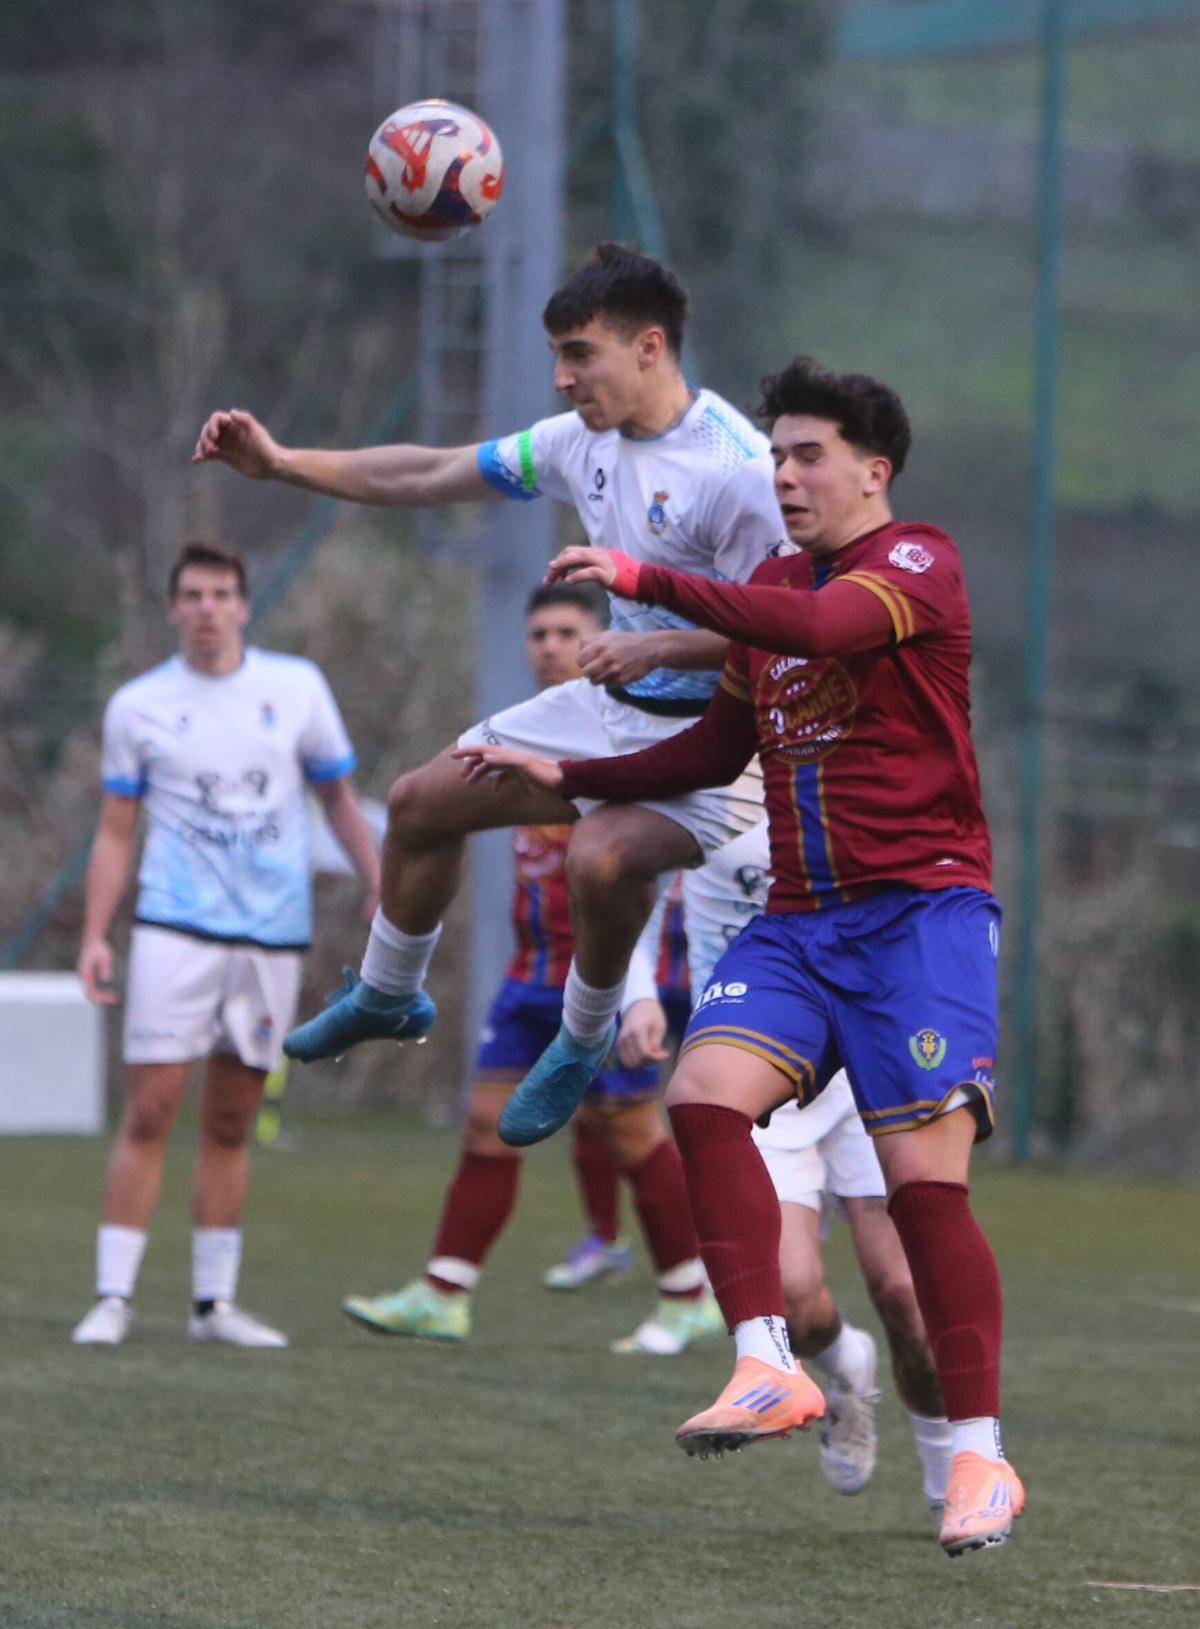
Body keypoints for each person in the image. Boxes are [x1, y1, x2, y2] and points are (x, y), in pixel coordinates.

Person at [456, 358, 1025, 1556]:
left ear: (875, 471)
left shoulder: (917, 564)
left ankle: (978, 1457)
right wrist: (575, 778)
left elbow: (820, 625)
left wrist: (646, 583)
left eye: (808, 455)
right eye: (775, 456)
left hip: (920, 918)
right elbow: (716, 750)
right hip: (803, 922)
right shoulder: (765, 585)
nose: (786, 474)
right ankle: (767, 1365)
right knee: (704, 1097)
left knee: (926, 1200)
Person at [192, 243, 783, 1143]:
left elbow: (783, 632)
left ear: (650, 347)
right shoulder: (579, 443)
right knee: (421, 802)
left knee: (600, 855)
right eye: (558, 356)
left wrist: (665, 642)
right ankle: (389, 992)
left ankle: (583, 1040)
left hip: (720, 748)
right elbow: (428, 473)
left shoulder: (736, 469)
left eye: (579, 355)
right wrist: (281, 464)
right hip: (612, 702)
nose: (560, 378)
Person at [341, 582, 722, 1356]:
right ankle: (444, 1291)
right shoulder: (513, 736)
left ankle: (690, 1292)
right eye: (539, 632)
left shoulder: (632, 735)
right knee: (485, 1121)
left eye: (567, 631)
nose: (550, 645)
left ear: (605, 641)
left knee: (630, 1129)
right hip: (529, 971)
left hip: (602, 971)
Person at [71, 542, 379, 1348]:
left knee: (233, 1118)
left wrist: (385, 889)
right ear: (173, 608)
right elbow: (113, 830)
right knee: (149, 1108)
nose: (208, 608)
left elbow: (339, 799)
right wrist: (97, 935)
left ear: (244, 605)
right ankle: (113, 1295)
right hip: (175, 929)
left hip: (273, 936)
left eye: (222, 593)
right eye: (193, 594)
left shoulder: (296, 688)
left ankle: (213, 1304)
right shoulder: (138, 705)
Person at [629, 825, 952, 1508]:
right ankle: (845, 1361)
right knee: (793, 1297)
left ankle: (951, 1466)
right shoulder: (708, 771)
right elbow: (637, 881)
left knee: (905, 1293)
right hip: (761, 1068)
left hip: (871, 1059)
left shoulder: (858, 774)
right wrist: (638, 992)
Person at [541, 870, 691, 1291]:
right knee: (596, 1109)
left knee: (714, 1117)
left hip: (716, 971)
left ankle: (706, 1261)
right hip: (638, 979)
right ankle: (606, 1240)